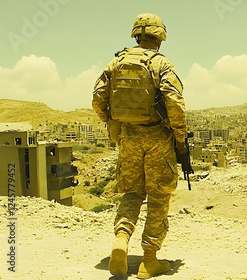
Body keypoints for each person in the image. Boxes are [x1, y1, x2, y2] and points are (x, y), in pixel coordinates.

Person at [92, 13, 187, 279]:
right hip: (158, 138)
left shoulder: (116, 62)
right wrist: (179, 137)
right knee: (158, 196)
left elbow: (98, 98)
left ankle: (121, 238)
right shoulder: (162, 64)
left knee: (132, 194)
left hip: (129, 138)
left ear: (136, 35)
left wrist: (113, 122)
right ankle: (149, 260)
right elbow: (175, 103)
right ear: (160, 37)